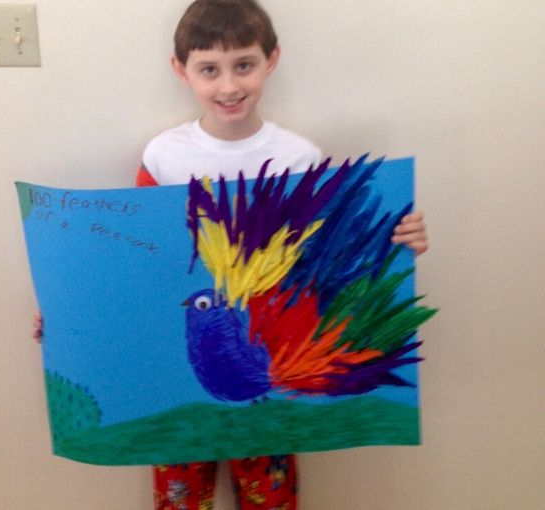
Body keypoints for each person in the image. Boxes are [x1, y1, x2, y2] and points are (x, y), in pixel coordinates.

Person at [34, 1, 428, 508]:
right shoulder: (163, 157)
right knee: (179, 496)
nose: (228, 86)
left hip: (269, 377)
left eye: (244, 65)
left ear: (272, 60)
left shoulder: (300, 160)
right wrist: (66, 319)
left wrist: (404, 243)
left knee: (272, 498)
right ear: (181, 70)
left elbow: (332, 264)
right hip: (169, 376)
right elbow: (130, 263)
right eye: (209, 70)